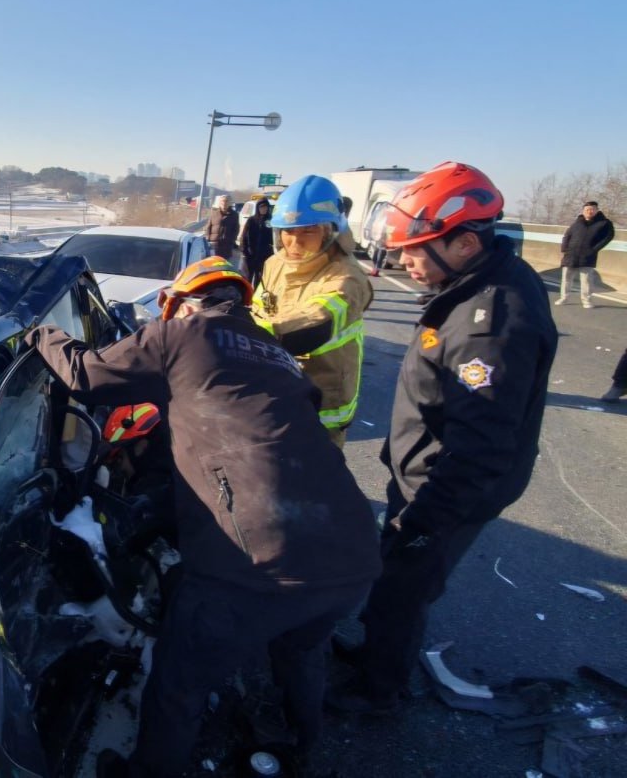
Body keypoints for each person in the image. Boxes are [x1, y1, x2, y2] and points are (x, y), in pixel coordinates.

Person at [23, 258, 380, 778]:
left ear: (183, 305)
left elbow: (87, 374)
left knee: (180, 683)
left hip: (256, 563)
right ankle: (300, 743)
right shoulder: (279, 355)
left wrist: (41, 334)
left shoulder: (181, 335)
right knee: (302, 652)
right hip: (352, 549)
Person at [327, 162, 558, 714]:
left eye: (415, 249)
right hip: (423, 474)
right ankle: (377, 653)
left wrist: (427, 519)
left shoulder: (492, 323)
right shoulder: (473, 285)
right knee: (393, 578)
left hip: (445, 489)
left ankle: (379, 691)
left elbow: (480, 443)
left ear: (464, 242)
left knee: (406, 585)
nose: (402, 262)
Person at [251, 175, 374, 448]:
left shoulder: (347, 277)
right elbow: (258, 309)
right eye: (288, 232)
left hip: (322, 404)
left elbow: (316, 323)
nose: (295, 244)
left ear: (330, 231)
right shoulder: (275, 264)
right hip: (276, 388)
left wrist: (249, 334)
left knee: (317, 483)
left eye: (307, 232)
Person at [557, 201, 616, 308]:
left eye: (592, 209)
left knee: (586, 280)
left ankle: (586, 300)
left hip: (588, 255)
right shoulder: (577, 222)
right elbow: (567, 235)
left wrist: (595, 249)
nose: (589, 211)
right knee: (566, 278)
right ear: (583, 211)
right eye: (587, 210)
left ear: (597, 210)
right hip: (571, 254)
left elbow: (609, 236)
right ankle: (564, 298)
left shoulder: (604, 223)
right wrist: (564, 248)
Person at [238, 198, 275, 289]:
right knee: (247, 278)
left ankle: (255, 297)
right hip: (250, 254)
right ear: (258, 208)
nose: (264, 209)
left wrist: (271, 250)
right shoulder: (252, 220)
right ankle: (246, 297)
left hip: (264, 256)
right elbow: (244, 236)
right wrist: (244, 251)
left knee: (260, 279)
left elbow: (274, 237)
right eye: (262, 207)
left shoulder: (271, 221)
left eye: (266, 207)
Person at [203, 194, 240, 262]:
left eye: (226, 201)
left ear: (229, 203)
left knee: (223, 266)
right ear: (219, 203)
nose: (224, 203)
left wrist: (231, 240)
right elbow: (208, 227)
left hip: (226, 246)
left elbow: (236, 229)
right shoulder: (214, 213)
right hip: (214, 245)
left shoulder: (234, 215)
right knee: (212, 264)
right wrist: (208, 238)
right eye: (222, 201)